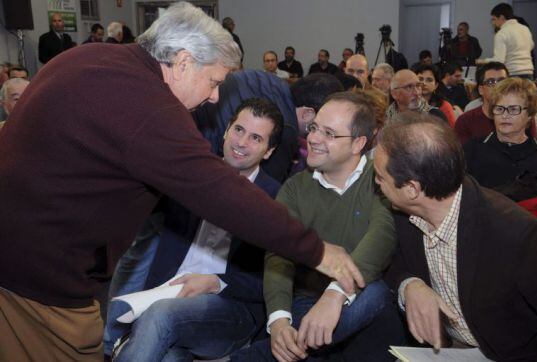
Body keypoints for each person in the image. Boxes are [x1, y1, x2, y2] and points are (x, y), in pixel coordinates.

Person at [0, 3, 362, 360]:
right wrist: (318, 251)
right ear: (185, 62)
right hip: (40, 283)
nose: (216, 96)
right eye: (215, 81)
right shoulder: (151, 107)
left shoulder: (87, 57)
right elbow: (220, 191)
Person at [113, 98, 283, 361]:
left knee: (163, 313)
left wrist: (216, 282)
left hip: (231, 307)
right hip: (168, 289)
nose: (241, 143)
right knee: (169, 356)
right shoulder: (193, 174)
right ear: (226, 129)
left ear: (269, 151)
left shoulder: (276, 200)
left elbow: (273, 281)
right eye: (239, 130)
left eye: (255, 138)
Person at [232, 92, 397, 361]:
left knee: (375, 293)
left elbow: (382, 237)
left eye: (329, 134)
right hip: (307, 297)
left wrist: (335, 293)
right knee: (298, 334)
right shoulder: (296, 187)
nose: (314, 138)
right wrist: (278, 320)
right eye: (314, 127)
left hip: (362, 297)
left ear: (359, 143)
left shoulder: (381, 180)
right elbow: (278, 253)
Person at [376, 112, 537, 361]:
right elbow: (390, 261)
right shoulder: (403, 214)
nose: (376, 183)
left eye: (380, 177)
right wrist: (410, 284)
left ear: (412, 189)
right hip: (447, 350)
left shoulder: (516, 235)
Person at [464, 77, 537, 195]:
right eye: (499, 108)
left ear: (529, 114)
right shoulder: (473, 149)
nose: (505, 115)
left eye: (513, 109)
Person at [455, 62, 509, 144]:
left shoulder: (521, 116)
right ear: (481, 90)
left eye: (502, 81)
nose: (498, 86)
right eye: (491, 82)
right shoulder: (466, 121)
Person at [476, 3, 534, 79]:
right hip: (529, 73)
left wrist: (482, 61)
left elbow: (499, 60)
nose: (493, 23)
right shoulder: (525, 29)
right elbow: (531, 46)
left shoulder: (502, 33)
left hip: (512, 73)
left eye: (494, 19)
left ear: (502, 17)